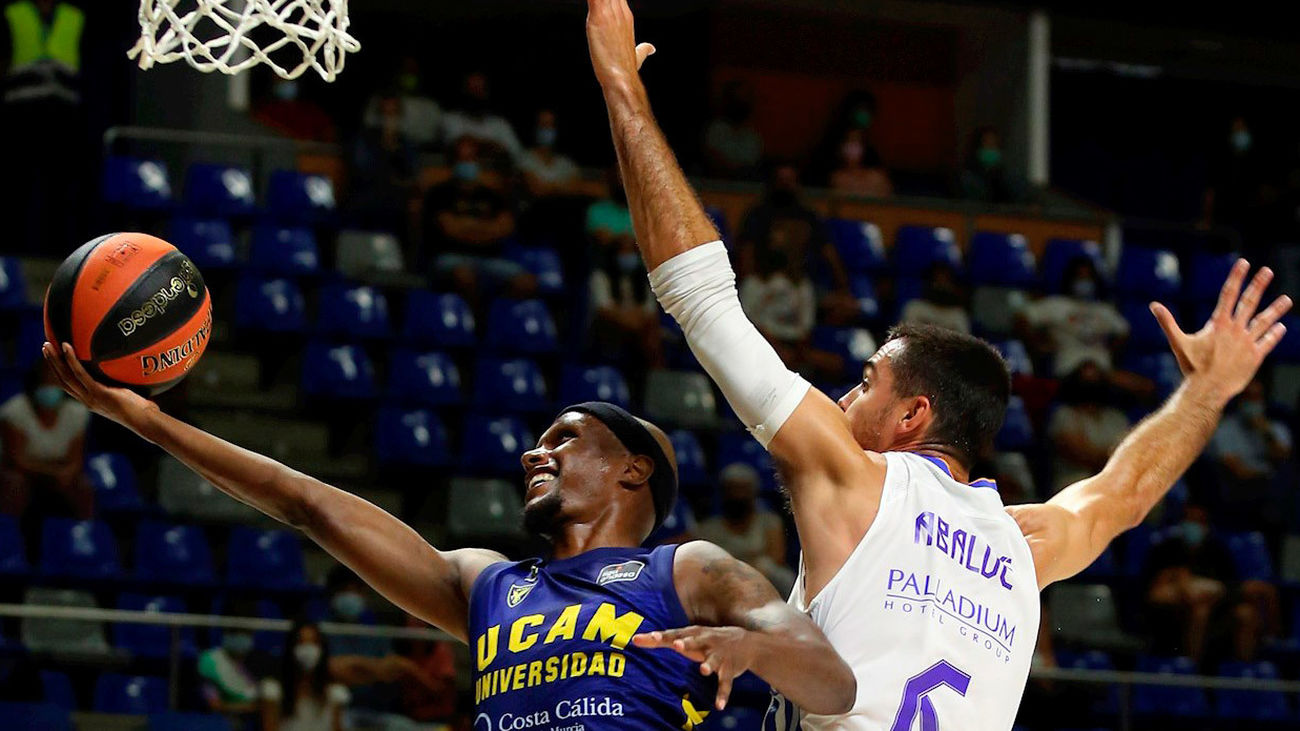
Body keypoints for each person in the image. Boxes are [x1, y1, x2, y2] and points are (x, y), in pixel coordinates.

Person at [583, 2, 1291, 728]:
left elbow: (703, 300)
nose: (844, 398)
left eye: (866, 383)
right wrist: (1208, 389)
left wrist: (621, 89)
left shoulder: (855, 479)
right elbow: (1126, 493)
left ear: (912, 415)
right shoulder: (1023, 545)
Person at [42, 333, 857, 729]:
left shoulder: (686, 569)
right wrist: (147, 421)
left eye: (566, 436)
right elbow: (305, 502)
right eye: (539, 439)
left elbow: (834, 683)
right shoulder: (488, 582)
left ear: (633, 469)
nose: (535, 450)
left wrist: (746, 646)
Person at [1143, 504, 1280, 663]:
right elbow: (1155, 591)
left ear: (1206, 525)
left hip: (1217, 606)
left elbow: (1228, 583)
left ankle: (1244, 667)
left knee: (1248, 611)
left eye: (1198, 521)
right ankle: (1192, 668)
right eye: (1189, 520)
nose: (1193, 526)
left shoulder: (1216, 550)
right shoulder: (1166, 549)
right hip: (1175, 612)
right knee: (1200, 610)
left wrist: (1215, 592)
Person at [1, 0, 85, 254]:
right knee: (17, 186)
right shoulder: (15, 14)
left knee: (60, 189)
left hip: (62, 118)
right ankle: (13, 251)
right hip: (21, 116)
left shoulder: (73, 17)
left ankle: (58, 253)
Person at [422, 136, 531, 301]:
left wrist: (468, 226)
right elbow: (451, 229)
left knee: (527, 282)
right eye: (462, 159)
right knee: (464, 276)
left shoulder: (491, 195)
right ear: (452, 162)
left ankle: (501, 315)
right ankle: (474, 316)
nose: (467, 164)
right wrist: (486, 228)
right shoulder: (440, 193)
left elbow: (506, 228)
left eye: (471, 159)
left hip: (490, 259)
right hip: (450, 257)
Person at [0, 359, 92, 519]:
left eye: (56, 381)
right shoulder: (14, 411)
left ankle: (82, 532)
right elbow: (17, 461)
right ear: (35, 384)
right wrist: (51, 474)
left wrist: (65, 474)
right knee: (14, 484)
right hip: (23, 473)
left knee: (82, 486)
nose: (51, 387)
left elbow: (75, 460)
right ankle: (10, 531)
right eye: (46, 381)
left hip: (58, 473)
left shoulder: (76, 413)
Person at [1018, 256, 1129, 378]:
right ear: (1071, 279)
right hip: (1068, 369)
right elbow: (1022, 318)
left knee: (1137, 383)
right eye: (1080, 277)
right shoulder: (1056, 304)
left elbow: (1124, 331)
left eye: (1088, 277)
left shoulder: (1104, 309)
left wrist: (1111, 350)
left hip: (1102, 370)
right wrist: (1038, 345)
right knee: (1087, 375)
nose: (1084, 281)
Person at [696, 463, 794, 596]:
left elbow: (776, 557)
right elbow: (705, 564)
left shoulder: (769, 521)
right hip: (724, 577)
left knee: (779, 573)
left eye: (743, 489)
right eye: (732, 489)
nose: (738, 495)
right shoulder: (709, 528)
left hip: (764, 575)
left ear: (753, 492)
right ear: (723, 492)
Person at [1209, 375, 1291, 529]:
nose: (1253, 403)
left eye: (1257, 397)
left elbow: (1284, 459)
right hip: (1237, 494)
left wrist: (1265, 432)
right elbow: (1238, 472)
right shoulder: (1224, 429)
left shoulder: (1277, 429)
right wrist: (1269, 474)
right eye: (1248, 397)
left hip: (1271, 497)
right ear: (1239, 400)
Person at [1046, 362, 1132, 494]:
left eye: (1096, 380)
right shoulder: (1064, 415)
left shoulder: (1117, 417)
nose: (1091, 386)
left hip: (1115, 480)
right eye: (1086, 380)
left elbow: (1129, 454)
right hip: (1074, 482)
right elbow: (1080, 455)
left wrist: (1104, 456)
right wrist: (1108, 455)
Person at [588, 235, 663, 367]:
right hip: (611, 326)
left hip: (638, 327)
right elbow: (604, 309)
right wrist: (628, 320)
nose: (628, 256)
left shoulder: (642, 279)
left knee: (653, 332)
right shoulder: (601, 276)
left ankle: (655, 374)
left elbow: (650, 311)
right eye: (624, 251)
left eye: (631, 252)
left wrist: (635, 321)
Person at [261, 620, 350, 731]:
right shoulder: (273, 690)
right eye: (301, 642)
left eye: (314, 643)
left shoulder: (335, 692)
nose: (308, 649)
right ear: (291, 647)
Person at [348, 91, 417, 232]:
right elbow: (362, 172)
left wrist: (394, 148)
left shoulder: (405, 143)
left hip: (396, 207)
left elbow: (410, 175)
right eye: (385, 113)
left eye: (393, 113)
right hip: (365, 203)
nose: (389, 118)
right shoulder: (363, 140)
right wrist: (385, 148)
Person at [441, 71, 523, 165]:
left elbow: (515, 154)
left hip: (497, 171)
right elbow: (459, 147)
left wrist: (476, 143)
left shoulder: (500, 124)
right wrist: (494, 146)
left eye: (480, 90)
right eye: (473, 89)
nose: (476, 95)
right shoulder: (450, 119)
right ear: (464, 91)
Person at [363, 55, 442, 149]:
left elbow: (434, 135)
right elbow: (369, 125)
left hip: (420, 149)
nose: (409, 75)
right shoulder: (381, 99)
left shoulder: (431, 105)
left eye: (412, 71)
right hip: (380, 147)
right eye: (406, 70)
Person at [702, 80, 764, 180]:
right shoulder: (715, 130)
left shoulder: (752, 136)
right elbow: (713, 159)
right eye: (737, 99)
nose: (741, 104)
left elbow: (753, 165)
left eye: (745, 99)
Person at [519, 108, 580, 197]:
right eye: (543, 125)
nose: (546, 129)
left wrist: (551, 187)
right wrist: (564, 186)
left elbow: (578, 186)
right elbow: (537, 189)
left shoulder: (566, 162)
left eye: (551, 125)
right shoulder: (525, 158)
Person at [959, 127, 1028, 204]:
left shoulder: (1010, 176)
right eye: (988, 145)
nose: (992, 149)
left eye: (994, 145)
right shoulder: (969, 177)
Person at [899, 262, 971, 334]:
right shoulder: (915, 308)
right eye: (938, 280)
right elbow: (905, 335)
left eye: (945, 281)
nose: (941, 285)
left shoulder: (958, 315)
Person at [829, 128, 892, 198]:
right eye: (849, 142)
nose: (852, 147)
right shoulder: (838, 179)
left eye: (857, 142)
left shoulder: (877, 178)